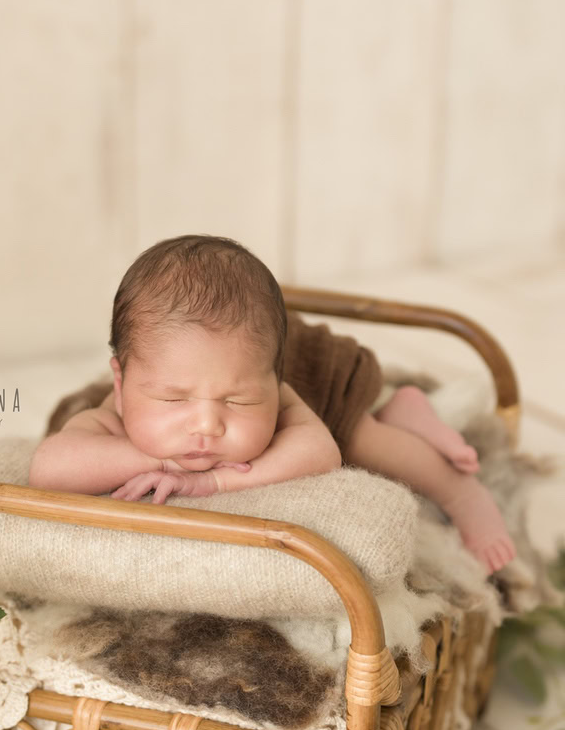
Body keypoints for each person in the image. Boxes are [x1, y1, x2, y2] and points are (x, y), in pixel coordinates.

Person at [29, 235, 516, 574]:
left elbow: (321, 452)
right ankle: (401, 405)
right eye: (172, 399)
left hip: (318, 378)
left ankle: (460, 490)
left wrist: (209, 481)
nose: (206, 424)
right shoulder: (108, 416)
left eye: (237, 402)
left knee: (359, 440)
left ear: (271, 385)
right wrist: (159, 457)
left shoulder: (278, 393)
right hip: (231, 365)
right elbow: (48, 468)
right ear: (120, 385)